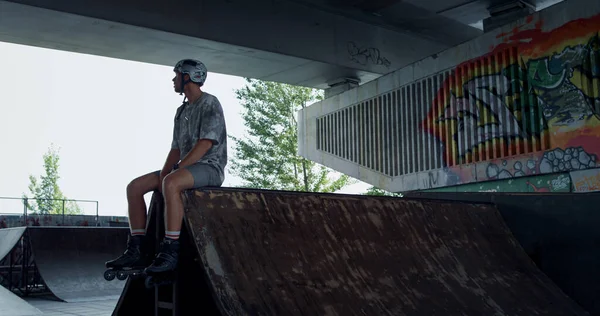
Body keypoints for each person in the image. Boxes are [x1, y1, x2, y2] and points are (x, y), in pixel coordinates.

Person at [105, 58, 227, 274]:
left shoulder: (210, 103)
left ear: (186, 77)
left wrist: (175, 171)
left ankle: (170, 250)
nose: (173, 80)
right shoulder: (181, 112)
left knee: (171, 182)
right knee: (134, 186)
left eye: (176, 75)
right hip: (184, 167)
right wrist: (163, 174)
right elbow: (175, 149)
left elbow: (205, 144)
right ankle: (137, 249)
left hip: (209, 167)